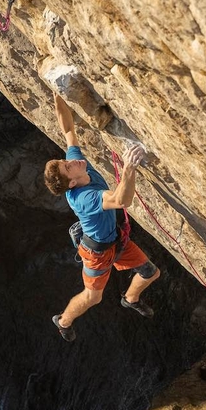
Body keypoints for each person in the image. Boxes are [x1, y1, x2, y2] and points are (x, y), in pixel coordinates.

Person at [43, 91, 160, 342]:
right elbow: (121, 200)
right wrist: (129, 167)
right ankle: (63, 321)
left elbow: (68, 131)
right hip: (96, 254)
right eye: (67, 166)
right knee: (93, 297)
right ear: (71, 182)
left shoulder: (77, 168)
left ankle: (130, 299)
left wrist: (58, 96)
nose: (71, 160)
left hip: (114, 239)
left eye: (66, 161)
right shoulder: (84, 198)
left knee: (151, 272)